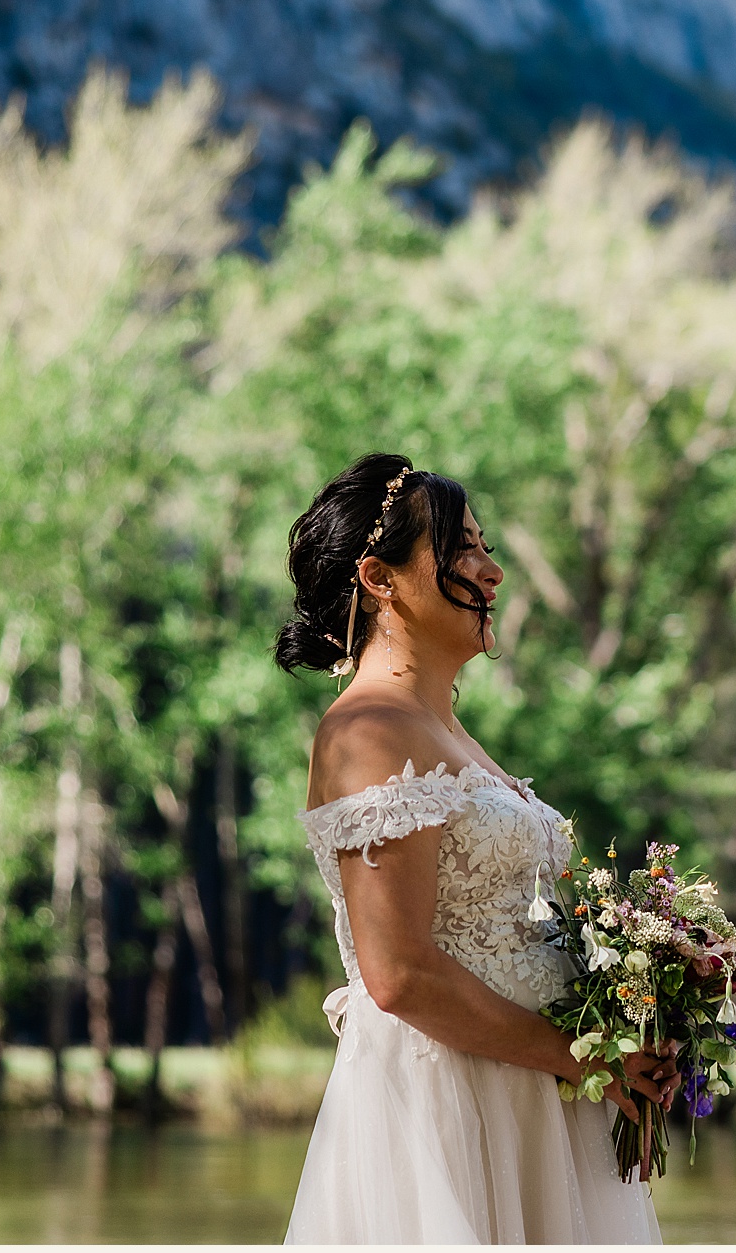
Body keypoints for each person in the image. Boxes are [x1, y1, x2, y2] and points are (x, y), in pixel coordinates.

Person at [279, 453, 670, 1244]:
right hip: (446, 1103)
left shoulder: (444, 727)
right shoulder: (368, 730)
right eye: (462, 549)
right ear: (380, 577)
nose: (491, 571)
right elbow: (399, 974)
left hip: (530, 1094)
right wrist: (580, 1057)